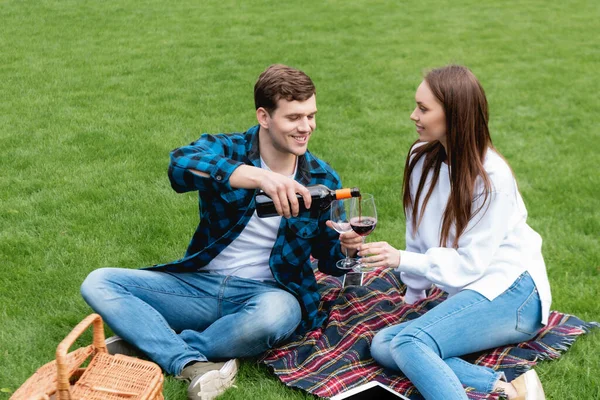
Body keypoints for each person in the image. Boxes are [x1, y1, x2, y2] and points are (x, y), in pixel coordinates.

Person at [80, 64, 350, 400]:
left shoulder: (322, 179)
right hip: (200, 286)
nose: (306, 127)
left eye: (311, 116)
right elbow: (179, 164)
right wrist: (257, 177)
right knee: (99, 282)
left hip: (267, 294)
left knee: (279, 315)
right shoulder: (227, 149)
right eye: (294, 117)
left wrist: (347, 247)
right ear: (264, 117)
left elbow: (330, 261)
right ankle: (187, 359)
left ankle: (159, 345)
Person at [345, 65, 552, 400]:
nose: (414, 115)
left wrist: (401, 260)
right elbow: (417, 232)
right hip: (469, 288)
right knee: (385, 344)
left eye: (424, 109)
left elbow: (471, 263)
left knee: (411, 342)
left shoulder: (492, 177)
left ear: (454, 115)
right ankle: (506, 388)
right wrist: (414, 293)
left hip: (513, 291)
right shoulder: (419, 158)